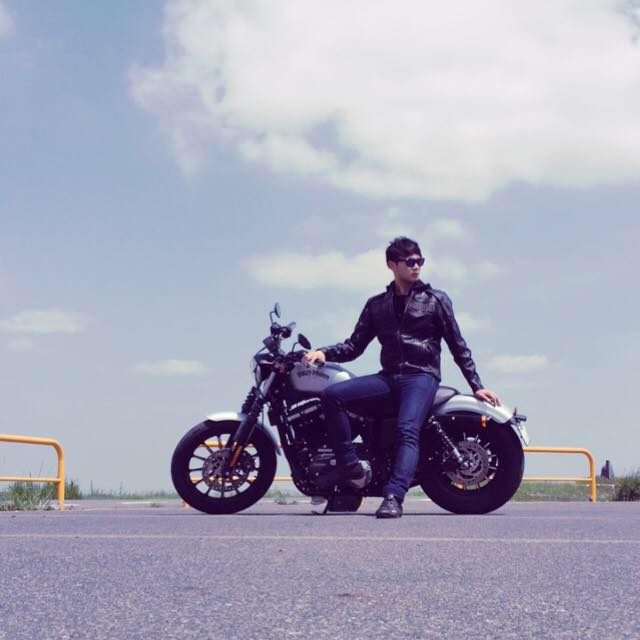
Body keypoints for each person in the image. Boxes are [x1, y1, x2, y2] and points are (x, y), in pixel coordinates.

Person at [301, 236, 501, 518]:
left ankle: (394, 497)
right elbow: (354, 346)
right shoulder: (377, 305)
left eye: (420, 260)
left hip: (422, 376)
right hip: (389, 378)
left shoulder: (436, 300)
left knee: (407, 430)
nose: (416, 266)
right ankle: (349, 466)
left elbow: (458, 346)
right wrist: (323, 352)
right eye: (410, 261)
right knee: (332, 395)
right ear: (392, 265)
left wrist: (477, 386)